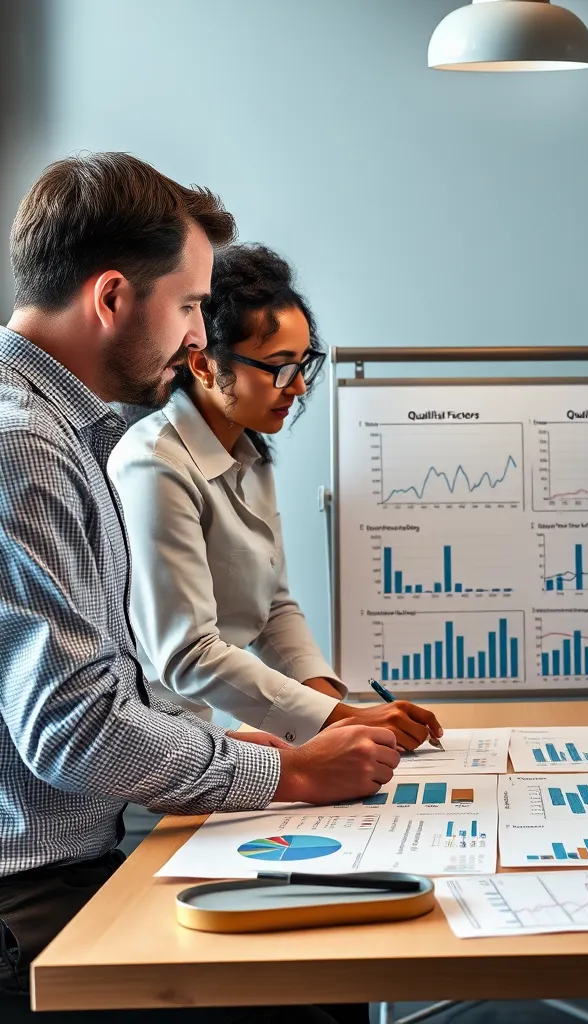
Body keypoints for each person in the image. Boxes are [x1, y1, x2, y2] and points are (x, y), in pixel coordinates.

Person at [0, 152, 397, 1023]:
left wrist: (299, 735)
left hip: (72, 857)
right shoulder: (28, 443)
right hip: (31, 893)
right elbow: (76, 731)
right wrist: (286, 769)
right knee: (317, 997)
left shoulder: (67, 430)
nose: (193, 339)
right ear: (111, 297)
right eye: (187, 306)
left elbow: (110, 685)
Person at [107, 244, 441, 750]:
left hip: (204, 737)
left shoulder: (248, 451)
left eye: (304, 362)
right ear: (201, 365)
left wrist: (338, 707)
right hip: (148, 753)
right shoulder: (154, 464)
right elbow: (188, 656)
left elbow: (273, 607)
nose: (300, 385)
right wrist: (337, 719)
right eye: (280, 366)